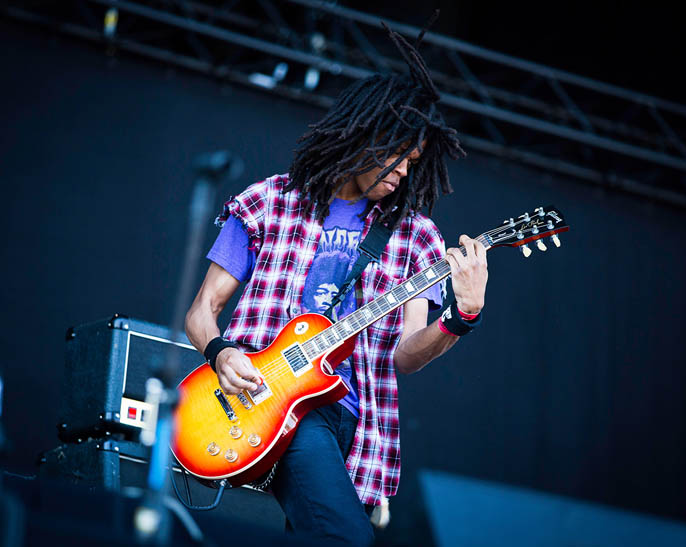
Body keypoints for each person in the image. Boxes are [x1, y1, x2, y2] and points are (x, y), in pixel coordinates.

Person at [184, 25, 489, 545]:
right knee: (347, 539)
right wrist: (220, 352)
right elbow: (200, 313)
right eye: (398, 157)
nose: (402, 174)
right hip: (268, 404)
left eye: (414, 165)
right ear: (366, 132)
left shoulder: (415, 237)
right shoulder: (270, 201)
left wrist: (462, 315)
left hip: (358, 424)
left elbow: (404, 356)